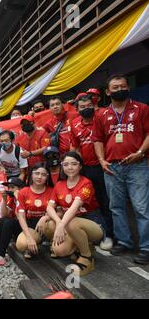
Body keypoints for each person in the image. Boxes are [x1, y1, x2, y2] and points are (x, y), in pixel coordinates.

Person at [92, 74, 149, 265]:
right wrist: (101, 160)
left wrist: (141, 152)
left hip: (136, 165)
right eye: (115, 88)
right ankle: (124, 241)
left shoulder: (141, 109)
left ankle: (146, 247)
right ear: (108, 92)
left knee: (141, 207)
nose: (119, 90)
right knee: (116, 207)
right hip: (112, 167)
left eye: (122, 86)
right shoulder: (101, 115)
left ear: (128, 88)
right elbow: (98, 139)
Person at [46, 152, 105, 276]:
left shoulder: (86, 183)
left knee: (71, 222)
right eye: (66, 164)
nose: (70, 167)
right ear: (62, 166)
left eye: (74, 164)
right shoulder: (59, 185)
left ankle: (87, 257)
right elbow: (49, 207)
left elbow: (75, 207)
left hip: (93, 224)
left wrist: (61, 225)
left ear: (80, 166)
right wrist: (58, 222)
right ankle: (82, 246)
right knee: (60, 250)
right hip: (70, 225)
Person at [70, 95, 113, 250]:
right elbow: (74, 148)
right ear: (77, 110)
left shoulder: (102, 119)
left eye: (89, 105)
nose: (86, 108)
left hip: (104, 167)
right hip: (86, 169)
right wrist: (73, 166)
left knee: (106, 201)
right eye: (82, 107)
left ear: (94, 105)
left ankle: (109, 235)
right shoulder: (74, 124)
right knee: (89, 202)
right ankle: (94, 232)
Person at [14, 164, 54, 259]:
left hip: (49, 225)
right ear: (31, 175)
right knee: (21, 244)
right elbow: (21, 216)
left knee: (52, 225)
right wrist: (29, 237)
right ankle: (35, 243)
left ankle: (53, 243)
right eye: (37, 173)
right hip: (32, 227)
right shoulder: (23, 192)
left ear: (47, 177)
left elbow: (60, 212)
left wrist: (45, 217)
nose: (39, 177)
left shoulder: (52, 191)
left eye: (44, 174)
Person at [0, 177, 26, 266]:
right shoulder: (12, 199)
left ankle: (1, 254)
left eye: (12, 187)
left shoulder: (24, 196)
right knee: (3, 220)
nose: (10, 190)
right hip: (19, 227)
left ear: (21, 189)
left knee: (9, 222)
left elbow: (21, 216)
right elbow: (4, 214)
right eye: (9, 187)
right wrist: (4, 199)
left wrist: (18, 197)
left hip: (27, 227)